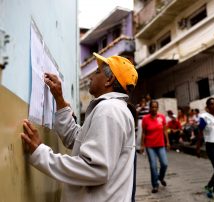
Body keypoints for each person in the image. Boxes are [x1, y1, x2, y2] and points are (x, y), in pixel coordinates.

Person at [21, 53, 138, 202]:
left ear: (109, 80)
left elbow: (95, 169)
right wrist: (59, 100)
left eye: (97, 72)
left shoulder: (109, 110)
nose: (91, 77)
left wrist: (41, 154)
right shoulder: (111, 109)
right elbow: (77, 140)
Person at [141, 100, 170, 193]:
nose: (154, 109)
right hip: (150, 146)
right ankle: (155, 185)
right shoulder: (145, 119)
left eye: (155, 107)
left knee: (164, 164)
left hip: (160, 144)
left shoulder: (161, 117)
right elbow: (144, 133)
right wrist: (142, 145)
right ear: (150, 108)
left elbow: (165, 130)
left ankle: (160, 177)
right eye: (152, 107)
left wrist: (168, 142)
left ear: (157, 108)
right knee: (153, 166)